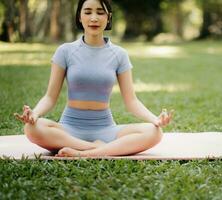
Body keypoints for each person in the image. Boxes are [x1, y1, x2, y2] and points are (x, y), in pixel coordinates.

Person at [14, 0, 173, 157]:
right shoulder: (65, 51)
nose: (94, 18)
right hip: (69, 129)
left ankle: (83, 153)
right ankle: (96, 148)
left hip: (105, 129)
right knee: (31, 128)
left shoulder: (119, 54)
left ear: (108, 17)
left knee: (154, 132)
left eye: (100, 12)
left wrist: (155, 119)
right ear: (79, 16)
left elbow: (132, 101)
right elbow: (49, 97)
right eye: (88, 12)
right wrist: (34, 114)